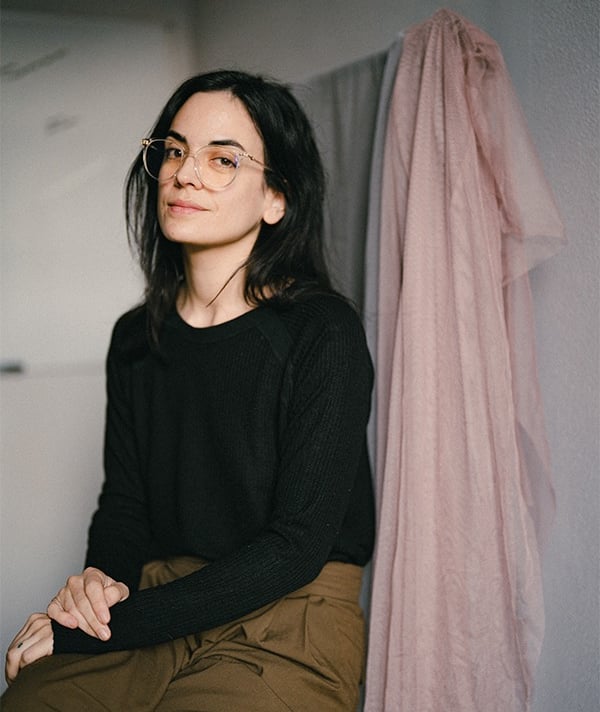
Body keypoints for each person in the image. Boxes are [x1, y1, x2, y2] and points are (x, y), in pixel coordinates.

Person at [2, 69, 375, 711]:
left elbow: (295, 548)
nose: (185, 174)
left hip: (293, 609)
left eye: (222, 159)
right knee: (31, 700)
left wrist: (99, 632)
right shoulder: (135, 338)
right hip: (161, 593)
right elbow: (125, 507)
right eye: (174, 151)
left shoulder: (323, 331)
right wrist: (96, 593)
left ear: (276, 199)